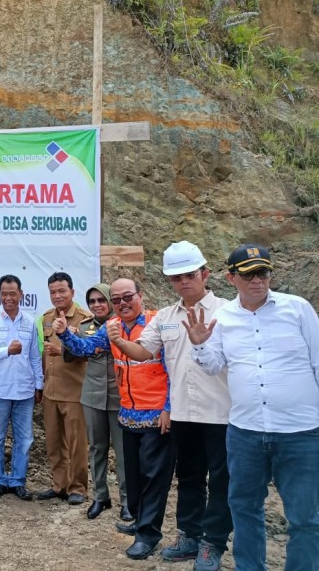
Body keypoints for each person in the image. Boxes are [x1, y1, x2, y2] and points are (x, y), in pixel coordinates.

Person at [184, 243, 319, 570]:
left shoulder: (298, 309)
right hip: (245, 433)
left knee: (305, 517)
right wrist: (200, 345)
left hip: (300, 433)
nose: (257, 280)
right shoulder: (223, 317)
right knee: (244, 510)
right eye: (248, 275)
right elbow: (214, 365)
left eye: (263, 273)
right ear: (231, 278)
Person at [115, 242, 232, 570]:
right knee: (190, 477)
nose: (183, 282)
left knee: (221, 479)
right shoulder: (165, 318)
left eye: (189, 275)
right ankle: (190, 536)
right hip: (182, 414)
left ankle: (213, 542)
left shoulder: (228, 312)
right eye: (176, 277)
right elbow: (143, 351)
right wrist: (118, 340)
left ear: (205, 274)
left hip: (221, 412)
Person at [55, 279, 173, 561]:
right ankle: (138, 522)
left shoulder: (157, 323)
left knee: (153, 478)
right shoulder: (112, 327)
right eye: (117, 300)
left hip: (156, 415)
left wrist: (169, 407)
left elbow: (173, 367)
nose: (122, 304)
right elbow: (85, 349)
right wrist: (63, 335)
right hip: (128, 414)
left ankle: (148, 536)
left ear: (140, 296)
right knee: (133, 476)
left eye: (126, 297)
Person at [0, 274, 43, 500]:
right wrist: (5, 351)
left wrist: (39, 383)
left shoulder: (29, 322)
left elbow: (34, 356)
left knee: (24, 439)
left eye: (13, 293)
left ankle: (17, 481)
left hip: (24, 391)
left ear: (21, 294)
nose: (8, 298)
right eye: (4, 294)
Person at [75, 283, 130, 521]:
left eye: (101, 300)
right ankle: (100, 497)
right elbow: (75, 353)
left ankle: (128, 501)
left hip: (120, 397)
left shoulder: (125, 325)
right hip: (92, 396)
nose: (97, 305)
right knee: (97, 448)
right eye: (92, 301)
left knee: (123, 452)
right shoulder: (85, 327)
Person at [38, 272, 92, 505]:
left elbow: (88, 354)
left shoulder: (85, 319)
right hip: (51, 390)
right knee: (54, 442)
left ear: (72, 292)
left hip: (74, 392)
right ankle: (59, 485)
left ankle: (78, 487)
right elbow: (43, 353)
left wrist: (60, 351)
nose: (57, 295)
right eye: (52, 292)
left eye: (62, 291)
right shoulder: (47, 318)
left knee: (76, 443)